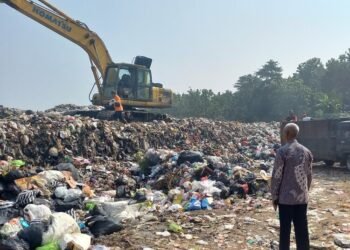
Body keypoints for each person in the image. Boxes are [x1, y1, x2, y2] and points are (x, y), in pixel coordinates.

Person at [271, 123, 313, 250]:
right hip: (302, 199)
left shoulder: (282, 151)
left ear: (287, 133)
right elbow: (309, 176)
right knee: (302, 230)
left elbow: (277, 176)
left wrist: (274, 196)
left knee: (285, 232)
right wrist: (305, 192)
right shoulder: (307, 151)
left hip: (285, 200)